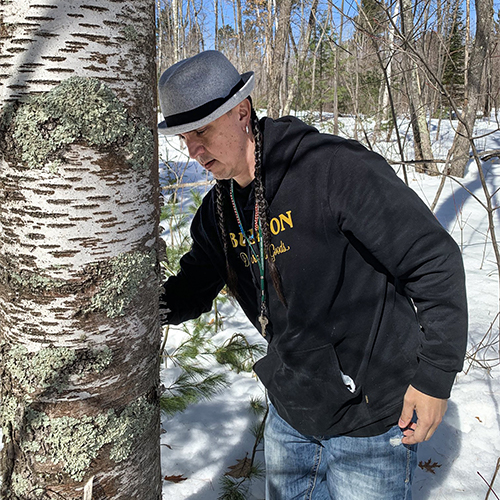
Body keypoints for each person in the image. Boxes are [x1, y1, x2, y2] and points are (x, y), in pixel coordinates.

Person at [158, 50, 467, 499]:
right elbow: (191, 289)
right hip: (292, 410)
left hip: (372, 417)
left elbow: (432, 260)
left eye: (202, 130)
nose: (194, 150)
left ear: (242, 111)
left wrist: (435, 376)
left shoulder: (330, 170)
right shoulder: (219, 213)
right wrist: (129, 308)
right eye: (185, 137)